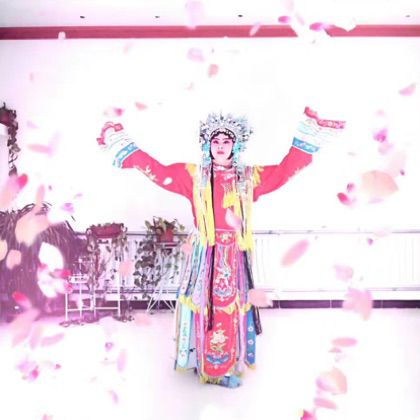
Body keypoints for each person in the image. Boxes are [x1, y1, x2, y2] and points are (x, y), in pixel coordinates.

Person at [97, 108, 345, 388]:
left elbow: (283, 172)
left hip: (233, 255)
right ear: (207, 145)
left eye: (226, 141)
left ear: (235, 146)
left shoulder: (247, 177)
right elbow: (159, 171)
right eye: (215, 141)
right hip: (206, 253)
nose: (220, 146)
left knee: (229, 308)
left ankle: (224, 365)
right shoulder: (193, 176)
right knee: (203, 307)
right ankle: (204, 363)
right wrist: (123, 144)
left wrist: (308, 137)